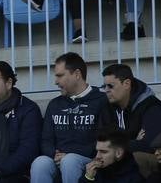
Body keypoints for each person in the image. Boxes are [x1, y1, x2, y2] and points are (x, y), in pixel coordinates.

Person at [31, 52, 109, 183]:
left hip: (89, 159)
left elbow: (103, 140)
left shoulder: (101, 101)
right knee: (40, 163)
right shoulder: (55, 104)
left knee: (70, 161)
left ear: (77, 74)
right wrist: (54, 154)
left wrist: (68, 154)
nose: (56, 81)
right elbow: (45, 140)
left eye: (60, 76)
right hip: (58, 158)